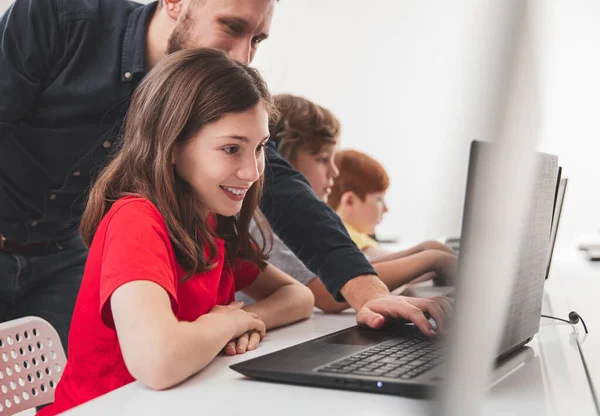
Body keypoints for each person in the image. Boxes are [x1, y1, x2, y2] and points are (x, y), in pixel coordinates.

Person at [0, 0, 448, 344]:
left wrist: (369, 294)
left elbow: (286, 190)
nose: (242, 58)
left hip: (60, 256)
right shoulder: (62, 18)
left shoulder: (209, 96)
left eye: (257, 40)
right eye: (232, 27)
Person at [37, 48, 315, 416]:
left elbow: (297, 296)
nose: (253, 171)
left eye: (260, 148)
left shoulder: (211, 217)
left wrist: (243, 322)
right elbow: (157, 362)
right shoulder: (136, 220)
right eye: (231, 149)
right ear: (171, 146)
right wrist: (224, 321)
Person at [265, 94, 457, 313]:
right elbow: (330, 293)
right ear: (282, 160)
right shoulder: (266, 224)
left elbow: (356, 268)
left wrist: (426, 250)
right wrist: (430, 260)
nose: (334, 171)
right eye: (322, 159)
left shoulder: (302, 223)